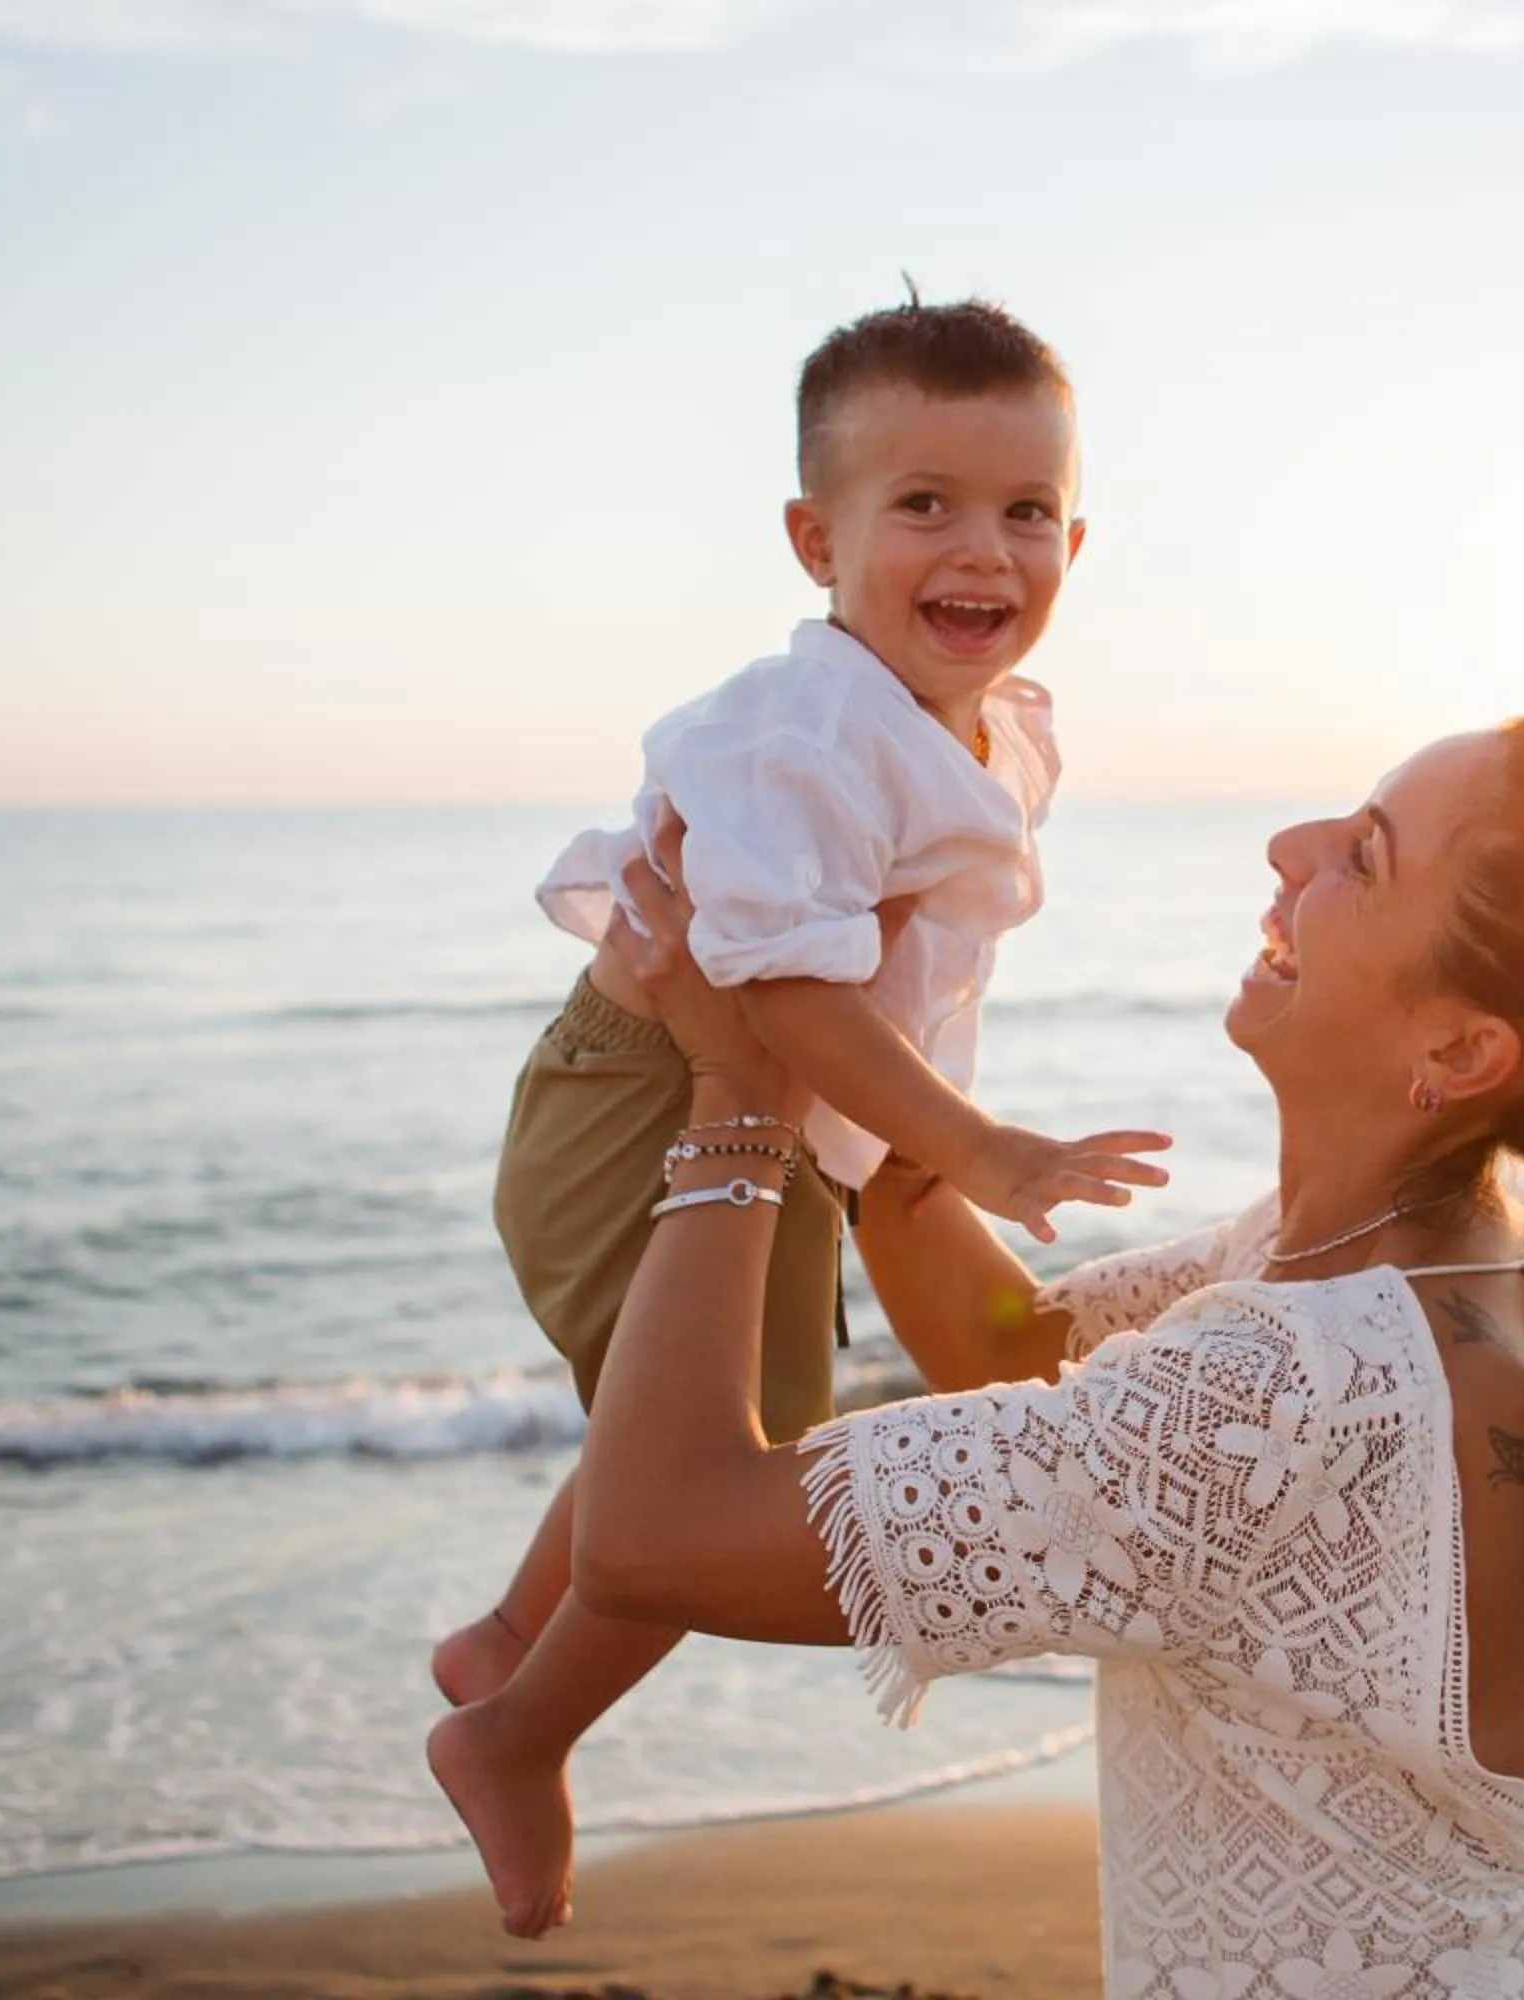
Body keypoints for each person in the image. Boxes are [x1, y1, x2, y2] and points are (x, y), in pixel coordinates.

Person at [565, 718, 1524, 1993]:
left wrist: (739, 1099)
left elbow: (650, 1535)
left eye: (1363, 855)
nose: (1289, 846)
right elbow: (1005, 1343)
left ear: (1461, 1048)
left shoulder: (1288, 1390)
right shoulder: (1463, 1269)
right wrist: (859, 1043)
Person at [426, 298, 1171, 1934]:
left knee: (678, 1422)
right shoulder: (805, 733)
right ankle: (513, 1735)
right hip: (647, 1104)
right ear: (814, 539)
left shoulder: (998, 729)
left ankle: (507, 1642)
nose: (981, 550)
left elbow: (907, 968)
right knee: (716, 1469)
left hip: (786, 1121)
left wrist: (903, 1149)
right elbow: (780, 991)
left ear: (1074, 541)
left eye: (1025, 511)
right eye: (924, 504)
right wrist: (975, 1149)